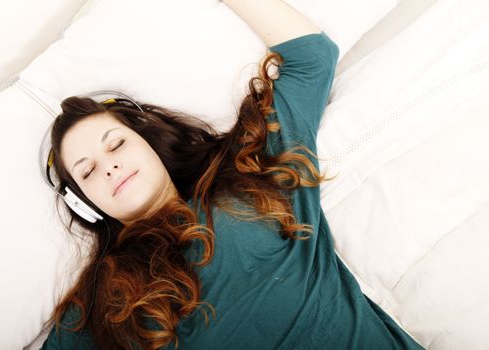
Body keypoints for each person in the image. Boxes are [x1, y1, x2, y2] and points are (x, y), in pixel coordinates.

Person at [40, 0, 425, 349]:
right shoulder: (101, 300)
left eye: (116, 144)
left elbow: (311, 57)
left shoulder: (250, 169)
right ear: (87, 205)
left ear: (149, 141)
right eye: (87, 171)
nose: (108, 166)